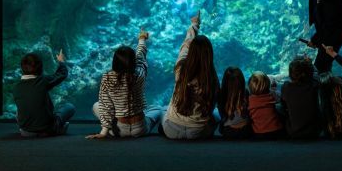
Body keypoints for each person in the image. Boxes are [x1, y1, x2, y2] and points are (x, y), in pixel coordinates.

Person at [86, 28, 162, 139]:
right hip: (140, 129)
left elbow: (105, 105)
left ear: (115, 62)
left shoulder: (107, 77)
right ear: (133, 61)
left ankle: (109, 129)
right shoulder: (140, 73)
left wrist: (103, 132)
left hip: (119, 131)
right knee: (157, 109)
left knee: (97, 105)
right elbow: (141, 56)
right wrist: (142, 39)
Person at [161, 11, 220, 140]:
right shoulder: (212, 80)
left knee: (163, 110)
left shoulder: (181, 70)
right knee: (215, 115)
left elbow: (185, 47)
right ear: (209, 55)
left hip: (171, 130)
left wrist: (194, 25)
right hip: (198, 133)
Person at [13, 49, 75, 137]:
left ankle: (39, 129)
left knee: (19, 109)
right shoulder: (43, 81)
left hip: (25, 132)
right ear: (40, 68)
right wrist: (61, 61)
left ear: (22, 68)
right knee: (69, 107)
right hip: (47, 129)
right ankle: (57, 129)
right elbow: (62, 74)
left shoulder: (16, 87)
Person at [281, 56, 321, 139]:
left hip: (293, 132)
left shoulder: (286, 87)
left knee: (279, 106)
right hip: (315, 132)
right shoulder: (314, 85)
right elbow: (316, 75)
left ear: (290, 74)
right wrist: (310, 64)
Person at [247, 71, 285, 139]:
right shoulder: (272, 95)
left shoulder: (249, 99)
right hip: (276, 131)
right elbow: (280, 98)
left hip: (258, 133)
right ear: (268, 85)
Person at [218, 67, 253, 139]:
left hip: (228, 132)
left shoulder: (221, 94)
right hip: (246, 130)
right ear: (242, 80)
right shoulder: (245, 92)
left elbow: (222, 115)